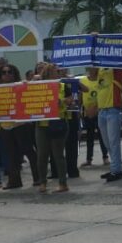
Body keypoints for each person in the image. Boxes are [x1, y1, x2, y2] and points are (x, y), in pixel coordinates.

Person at [34, 64, 71, 193]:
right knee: (42, 155)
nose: (58, 73)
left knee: (58, 155)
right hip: (42, 125)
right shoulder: (38, 87)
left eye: (58, 71)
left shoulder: (63, 86)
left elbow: (71, 99)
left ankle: (63, 183)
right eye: (55, 71)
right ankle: (42, 182)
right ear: (48, 74)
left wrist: (61, 101)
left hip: (58, 123)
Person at [95, 62, 122, 183]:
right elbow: (93, 77)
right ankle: (114, 167)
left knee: (114, 142)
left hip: (113, 108)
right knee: (106, 142)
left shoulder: (116, 66)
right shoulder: (100, 67)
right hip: (102, 109)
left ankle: (117, 170)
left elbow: (121, 81)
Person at [78, 67, 109, 167]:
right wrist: (80, 108)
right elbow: (80, 95)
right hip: (87, 113)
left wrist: (96, 109)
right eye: (91, 68)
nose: (93, 69)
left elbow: (103, 94)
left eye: (95, 68)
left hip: (99, 111)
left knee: (102, 135)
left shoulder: (101, 80)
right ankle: (88, 159)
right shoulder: (83, 80)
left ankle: (105, 157)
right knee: (89, 137)